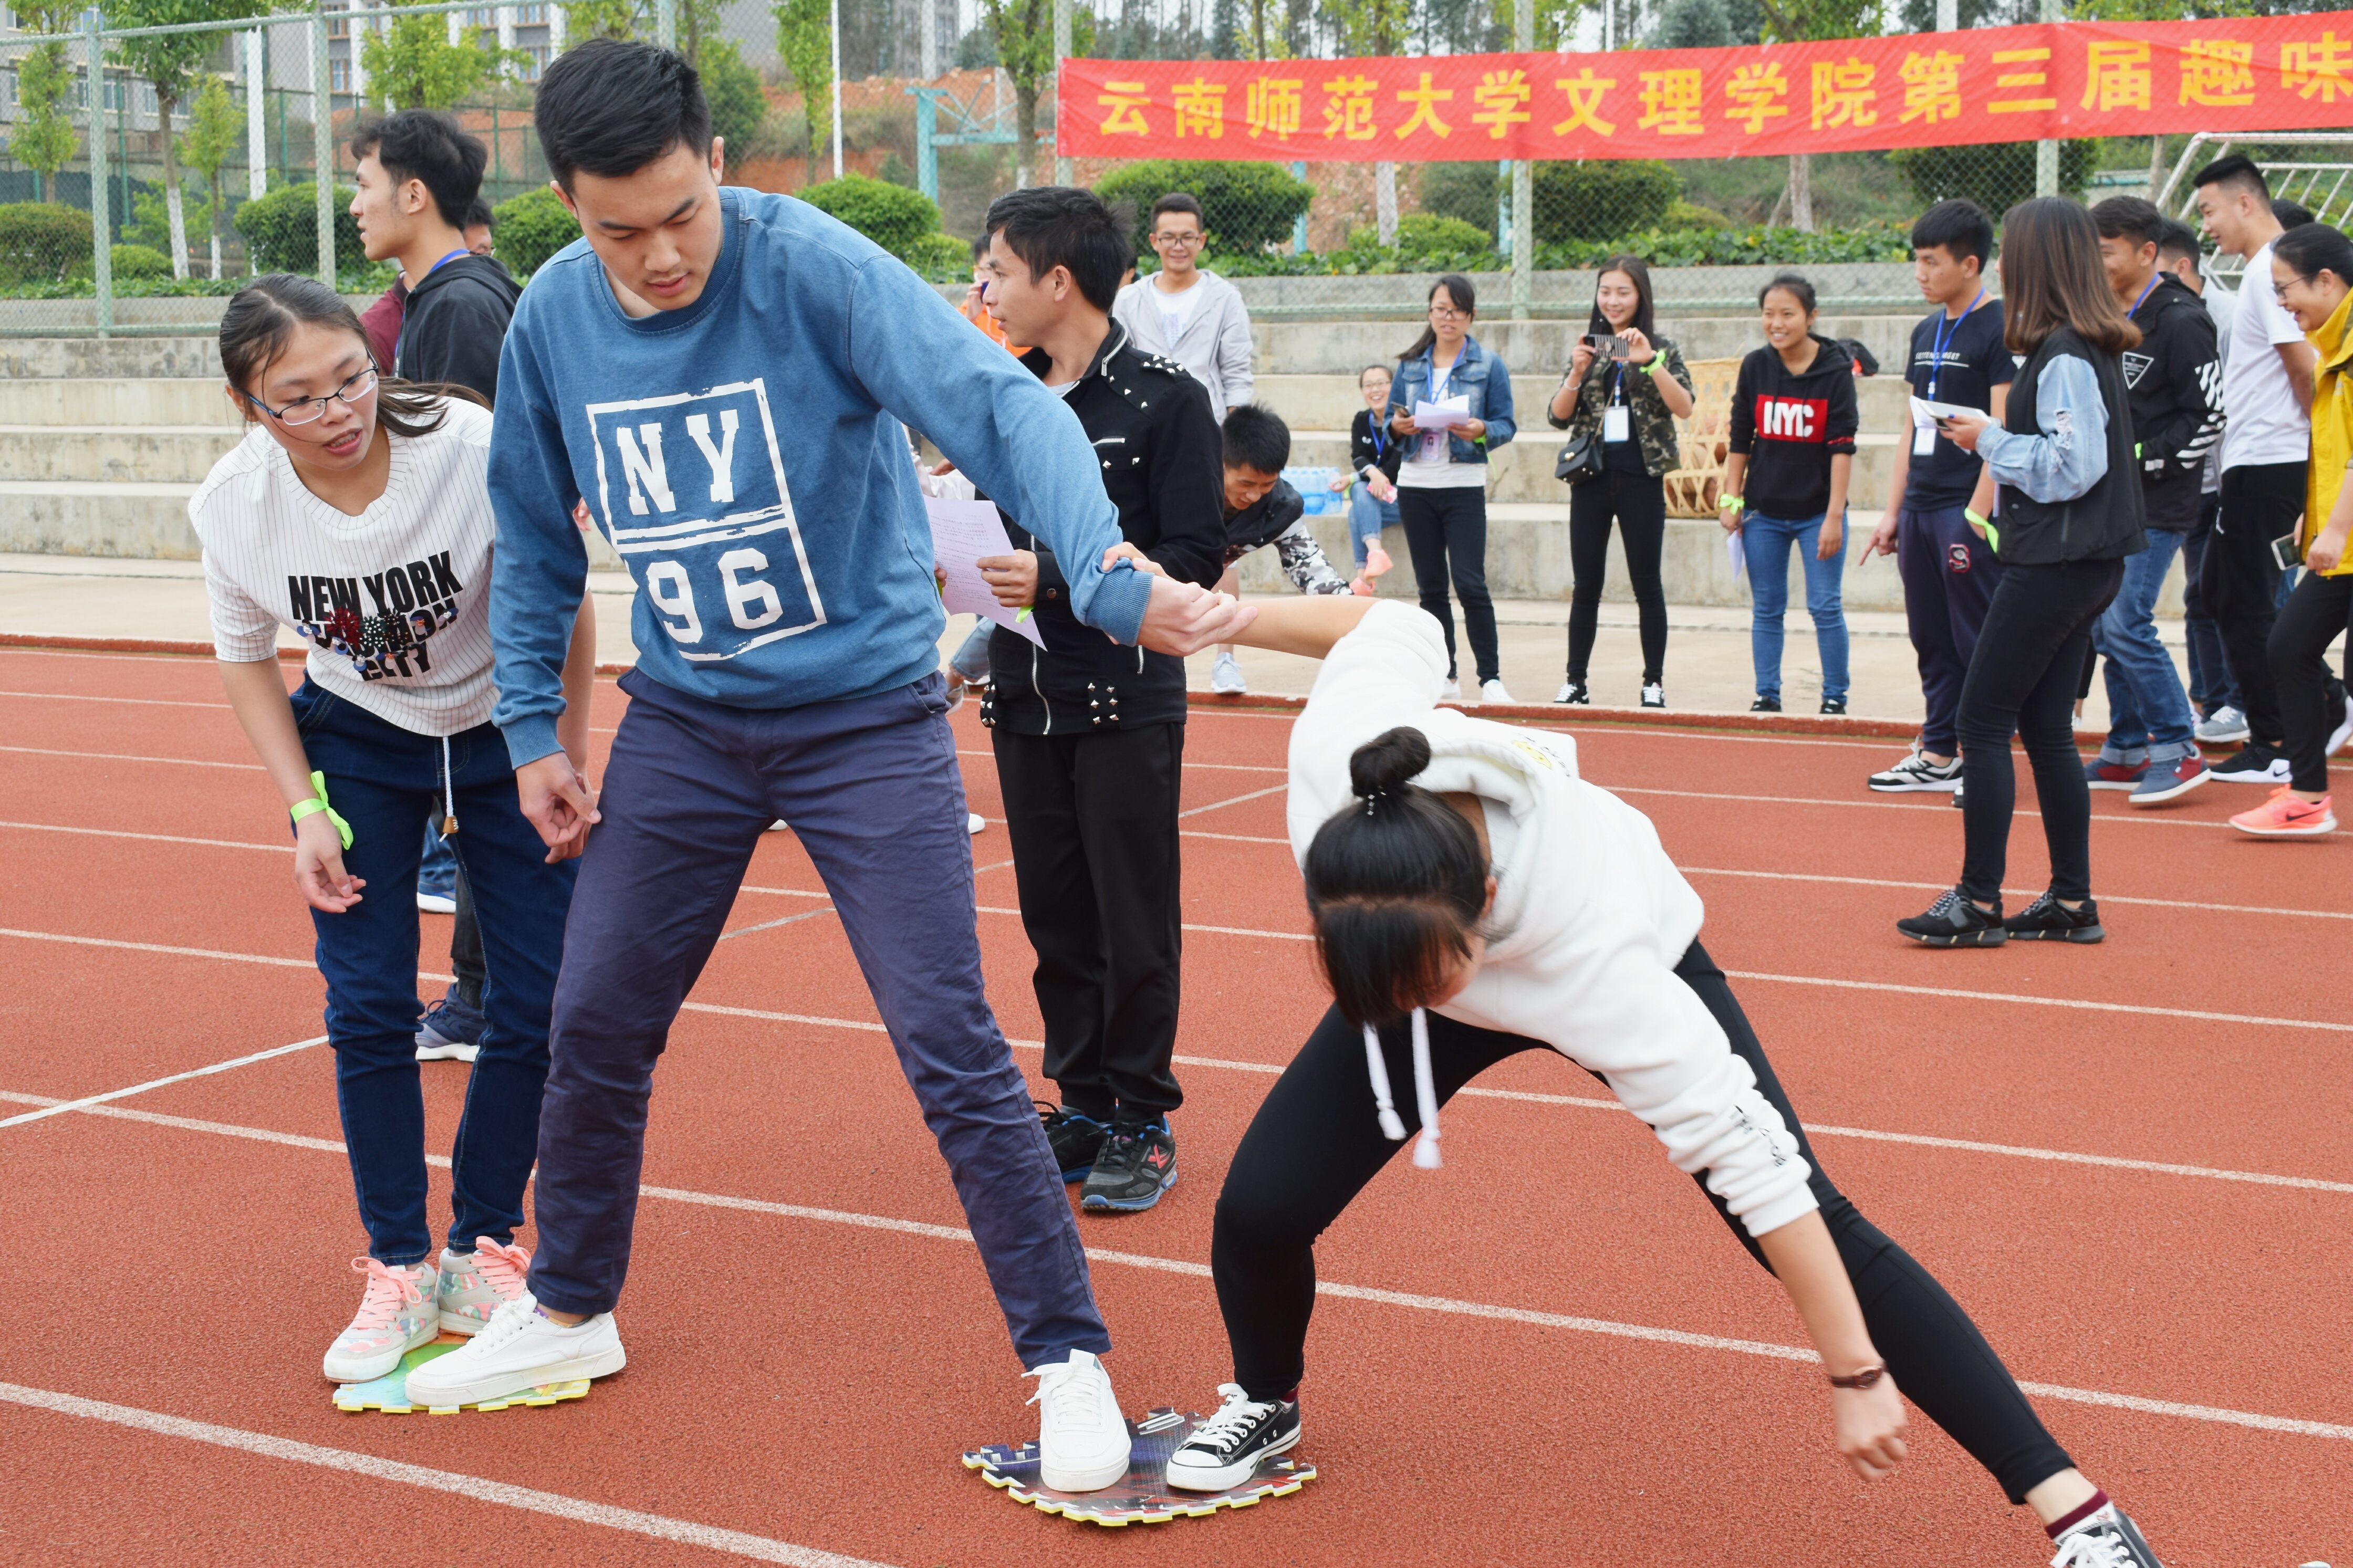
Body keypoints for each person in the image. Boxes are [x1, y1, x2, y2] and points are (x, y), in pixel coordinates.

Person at [405, 44, 1254, 1490]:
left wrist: (1106, 578)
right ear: (567, 205)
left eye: (683, 212)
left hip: (865, 719)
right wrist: (537, 735)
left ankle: (1066, 1354)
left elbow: (1007, 412)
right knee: (592, 1018)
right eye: (621, 229)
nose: (661, 254)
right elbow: (533, 525)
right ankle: (568, 1305)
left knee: (950, 1044)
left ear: (718, 161)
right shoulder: (552, 317)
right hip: (683, 720)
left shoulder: (813, 269)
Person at [1147, 591, 2167, 1568]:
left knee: (1808, 1213)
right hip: (1406, 950)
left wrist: (1854, 1373)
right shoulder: (1341, 767)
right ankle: (1263, 1398)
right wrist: (1223, 619)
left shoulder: (1601, 963)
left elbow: (1760, 1176)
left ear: (1484, 906)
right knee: (1259, 1209)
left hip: (1593, 943)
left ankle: (2071, 1505)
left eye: (1425, 978)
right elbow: (1396, 623)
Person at [192, 274, 596, 1385]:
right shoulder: (236, 504)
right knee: (366, 1000)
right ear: (249, 406)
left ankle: (480, 1243)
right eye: (298, 397)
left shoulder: (467, 446)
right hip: (359, 738)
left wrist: (553, 746)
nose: (336, 410)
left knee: (539, 993)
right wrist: (302, 808)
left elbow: (560, 596)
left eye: (350, 378)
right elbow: (244, 655)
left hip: (500, 722)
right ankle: (398, 1264)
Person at [975, 185, 1228, 1217]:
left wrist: (1058, 581)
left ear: (1057, 279)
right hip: (1024, 691)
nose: (982, 288)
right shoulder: (1004, 391)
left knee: (1132, 919)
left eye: (994, 269)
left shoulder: (1168, 398)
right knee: (1053, 915)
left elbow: (1194, 557)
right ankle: (1079, 1098)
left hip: (1124, 701)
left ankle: (1140, 1114)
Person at [1898, 199, 2145, 948]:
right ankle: (2072, 901)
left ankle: (1978, 902)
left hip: (2056, 563)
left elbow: (2074, 466)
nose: (2002, 263)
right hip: (2080, 562)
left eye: (2011, 252)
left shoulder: (2066, 355)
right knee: (2045, 731)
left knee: (1980, 721)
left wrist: (1989, 438)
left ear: (2040, 263)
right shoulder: (2079, 346)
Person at [1860, 200, 2008, 793]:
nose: (1919, 273)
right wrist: (1893, 511)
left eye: (1931, 262)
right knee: (1931, 636)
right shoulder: (1926, 330)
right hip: (1920, 507)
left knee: (1975, 635)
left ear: (1969, 264)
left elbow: (2000, 428)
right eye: (1916, 261)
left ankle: (1983, 755)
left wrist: (1978, 510)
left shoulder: (1998, 328)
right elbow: (1910, 427)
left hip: (1962, 509)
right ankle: (1939, 750)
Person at [2083, 196, 2224, 806]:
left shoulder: (2181, 319)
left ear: (2146, 253)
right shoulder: (2101, 312)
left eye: (2105, 251)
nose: (2094, 261)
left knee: (2124, 619)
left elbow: (2210, 415)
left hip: (2159, 503)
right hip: (2107, 500)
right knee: (2101, 621)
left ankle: (2178, 745)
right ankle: (2126, 746)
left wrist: (2143, 459)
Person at [2194, 153, 2316, 786]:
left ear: (2246, 202)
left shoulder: (2274, 267)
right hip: (2249, 460)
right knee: (2218, 594)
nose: (2205, 225)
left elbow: (2302, 367)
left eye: (2210, 210)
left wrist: (2317, 448)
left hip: (2273, 460)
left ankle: (2281, 737)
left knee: (2245, 603)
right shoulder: (2258, 271)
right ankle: (2308, 714)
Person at [2234, 222, 2353, 836]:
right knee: (2289, 647)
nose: (2283, 304)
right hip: (2344, 543)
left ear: (2327, 281)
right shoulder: (2335, 344)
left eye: (2287, 290)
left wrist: (2335, 527)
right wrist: (2318, 510)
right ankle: (2307, 795)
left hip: (2348, 541)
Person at [1547, 254, 1693, 708]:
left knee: (1646, 582)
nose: (1613, 300)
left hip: (1641, 479)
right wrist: (1576, 372)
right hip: (1590, 477)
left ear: (1641, 296)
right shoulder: (1590, 348)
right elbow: (1557, 416)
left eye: (1623, 292)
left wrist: (1649, 362)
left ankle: (1653, 681)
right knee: (1586, 584)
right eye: (1605, 291)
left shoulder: (1660, 346)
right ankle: (1576, 681)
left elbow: (1685, 406)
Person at [1718, 271, 1856, 716]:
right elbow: (1741, 438)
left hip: (1818, 512)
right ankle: (1767, 694)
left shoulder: (1835, 371)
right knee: (1767, 609)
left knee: (1825, 607)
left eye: (1788, 314)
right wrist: (1731, 500)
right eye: (1768, 314)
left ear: (1811, 316)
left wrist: (1834, 516)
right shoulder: (1757, 366)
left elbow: (1842, 447)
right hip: (1765, 513)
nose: (1776, 323)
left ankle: (1835, 695)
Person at [1386, 273, 1516, 705]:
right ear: (1430, 312)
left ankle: (1491, 678)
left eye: (1458, 311)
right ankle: (1445, 674)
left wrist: (1480, 429)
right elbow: (1392, 422)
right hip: (1416, 483)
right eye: (1441, 309)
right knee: (1431, 588)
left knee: (1470, 582)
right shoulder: (1410, 364)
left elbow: (1505, 424)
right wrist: (1399, 425)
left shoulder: (1488, 364)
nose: (1449, 317)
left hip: (1462, 484)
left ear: (1471, 316)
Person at [2158, 218, 2250, 739]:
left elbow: (2224, 408)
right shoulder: (2160, 313)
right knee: (2197, 595)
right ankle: (2209, 700)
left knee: (2232, 593)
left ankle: (2239, 702)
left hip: (2223, 476)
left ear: (2182, 266)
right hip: (2190, 478)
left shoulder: (2227, 317)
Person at [1205, 406, 1351, 694]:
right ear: (1220, 462)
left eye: (1266, 485)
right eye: (1246, 483)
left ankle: (1225, 660)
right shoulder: (1183, 485)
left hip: (1213, 563)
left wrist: (1359, 616)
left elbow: (1316, 573)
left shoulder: (1282, 508)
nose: (1254, 495)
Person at [1110, 193, 1254, 418]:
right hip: (1146, 424)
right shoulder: (1129, 299)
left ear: (1201, 241)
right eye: (1169, 237)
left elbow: (1237, 374)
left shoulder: (1225, 298)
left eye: (1187, 237)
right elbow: (1120, 368)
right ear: (1154, 241)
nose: (1178, 247)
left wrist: (1233, 440)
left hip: (1207, 423)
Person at [1342, 363, 1400, 595]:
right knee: (1357, 505)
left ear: (1393, 387)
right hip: (1377, 497)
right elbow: (1358, 456)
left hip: (1406, 498)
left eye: (1381, 383)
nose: (1375, 390)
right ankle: (1371, 564)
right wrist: (1372, 474)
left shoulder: (1403, 421)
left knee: (1358, 494)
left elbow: (1398, 466)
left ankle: (1363, 576)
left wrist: (1370, 475)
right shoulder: (1361, 420)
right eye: (1368, 385)